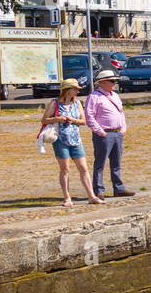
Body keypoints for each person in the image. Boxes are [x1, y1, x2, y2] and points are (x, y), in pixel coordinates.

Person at [41, 79, 104, 207]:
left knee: (84, 168)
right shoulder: (55, 103)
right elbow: (44, 120)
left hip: (76, 139)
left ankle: (91, 196)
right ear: (68, 90)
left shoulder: (77, 104)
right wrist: (57, 119)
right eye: (75, 89)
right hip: (60, 140)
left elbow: (83, 121)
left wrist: (73, 120)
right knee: (65, 169)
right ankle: (67, 197)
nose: (78, 91)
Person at [86, 70, 135, 198]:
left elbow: (121, 112)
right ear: (102, 82)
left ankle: (118, 188)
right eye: (111, 81)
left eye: (115, 81)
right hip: (104, 134)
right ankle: (98, 190)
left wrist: (123, 128)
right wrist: (100, 132)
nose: (114, 83)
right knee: (100, 163)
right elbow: (89, 116)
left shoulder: (115, 95)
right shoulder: (94, 96)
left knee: (116, 163)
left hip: (117, 133)